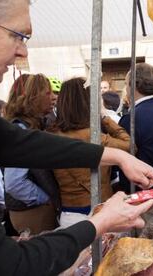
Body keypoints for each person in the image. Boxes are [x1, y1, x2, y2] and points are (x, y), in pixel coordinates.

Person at [0, 0, 153, 274]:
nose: (23, 51)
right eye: (18, 35)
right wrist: (99, 223)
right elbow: (7, 264)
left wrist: (115, 156)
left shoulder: (46, 130)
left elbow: (18, 143)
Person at [49, 77, 131, 228]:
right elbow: (129, 145)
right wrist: (104, 116)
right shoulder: (95, 137)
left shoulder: (50, 135)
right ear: (89, 103)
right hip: (102, 213)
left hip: (69, 214)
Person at [3, 73, 59, 234]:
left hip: (33, 209)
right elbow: (14, 182)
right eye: (47, 93)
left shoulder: (31, 125)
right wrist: (45, 199)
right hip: (33, 211)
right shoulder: (21, 129)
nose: (53, 97)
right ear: (33, 96)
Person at [119, 63, 153, 186]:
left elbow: (122, 157)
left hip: (142, 189)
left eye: (126, 84)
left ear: (134, 85)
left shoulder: (131, 118)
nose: (125, 89)